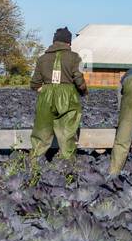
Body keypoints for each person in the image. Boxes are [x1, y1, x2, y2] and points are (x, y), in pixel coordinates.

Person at [30, 27, 88, 159]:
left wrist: (45, 90)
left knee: (41, 132)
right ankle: (68, 166)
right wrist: (84, 91)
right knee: (68, 133)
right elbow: (79, 80)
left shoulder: (42, 58)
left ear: (54, 41)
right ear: (68, 43)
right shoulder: (74, 57)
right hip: (68, 96)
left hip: (46, 95)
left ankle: (34, 163)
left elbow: (34, 83)